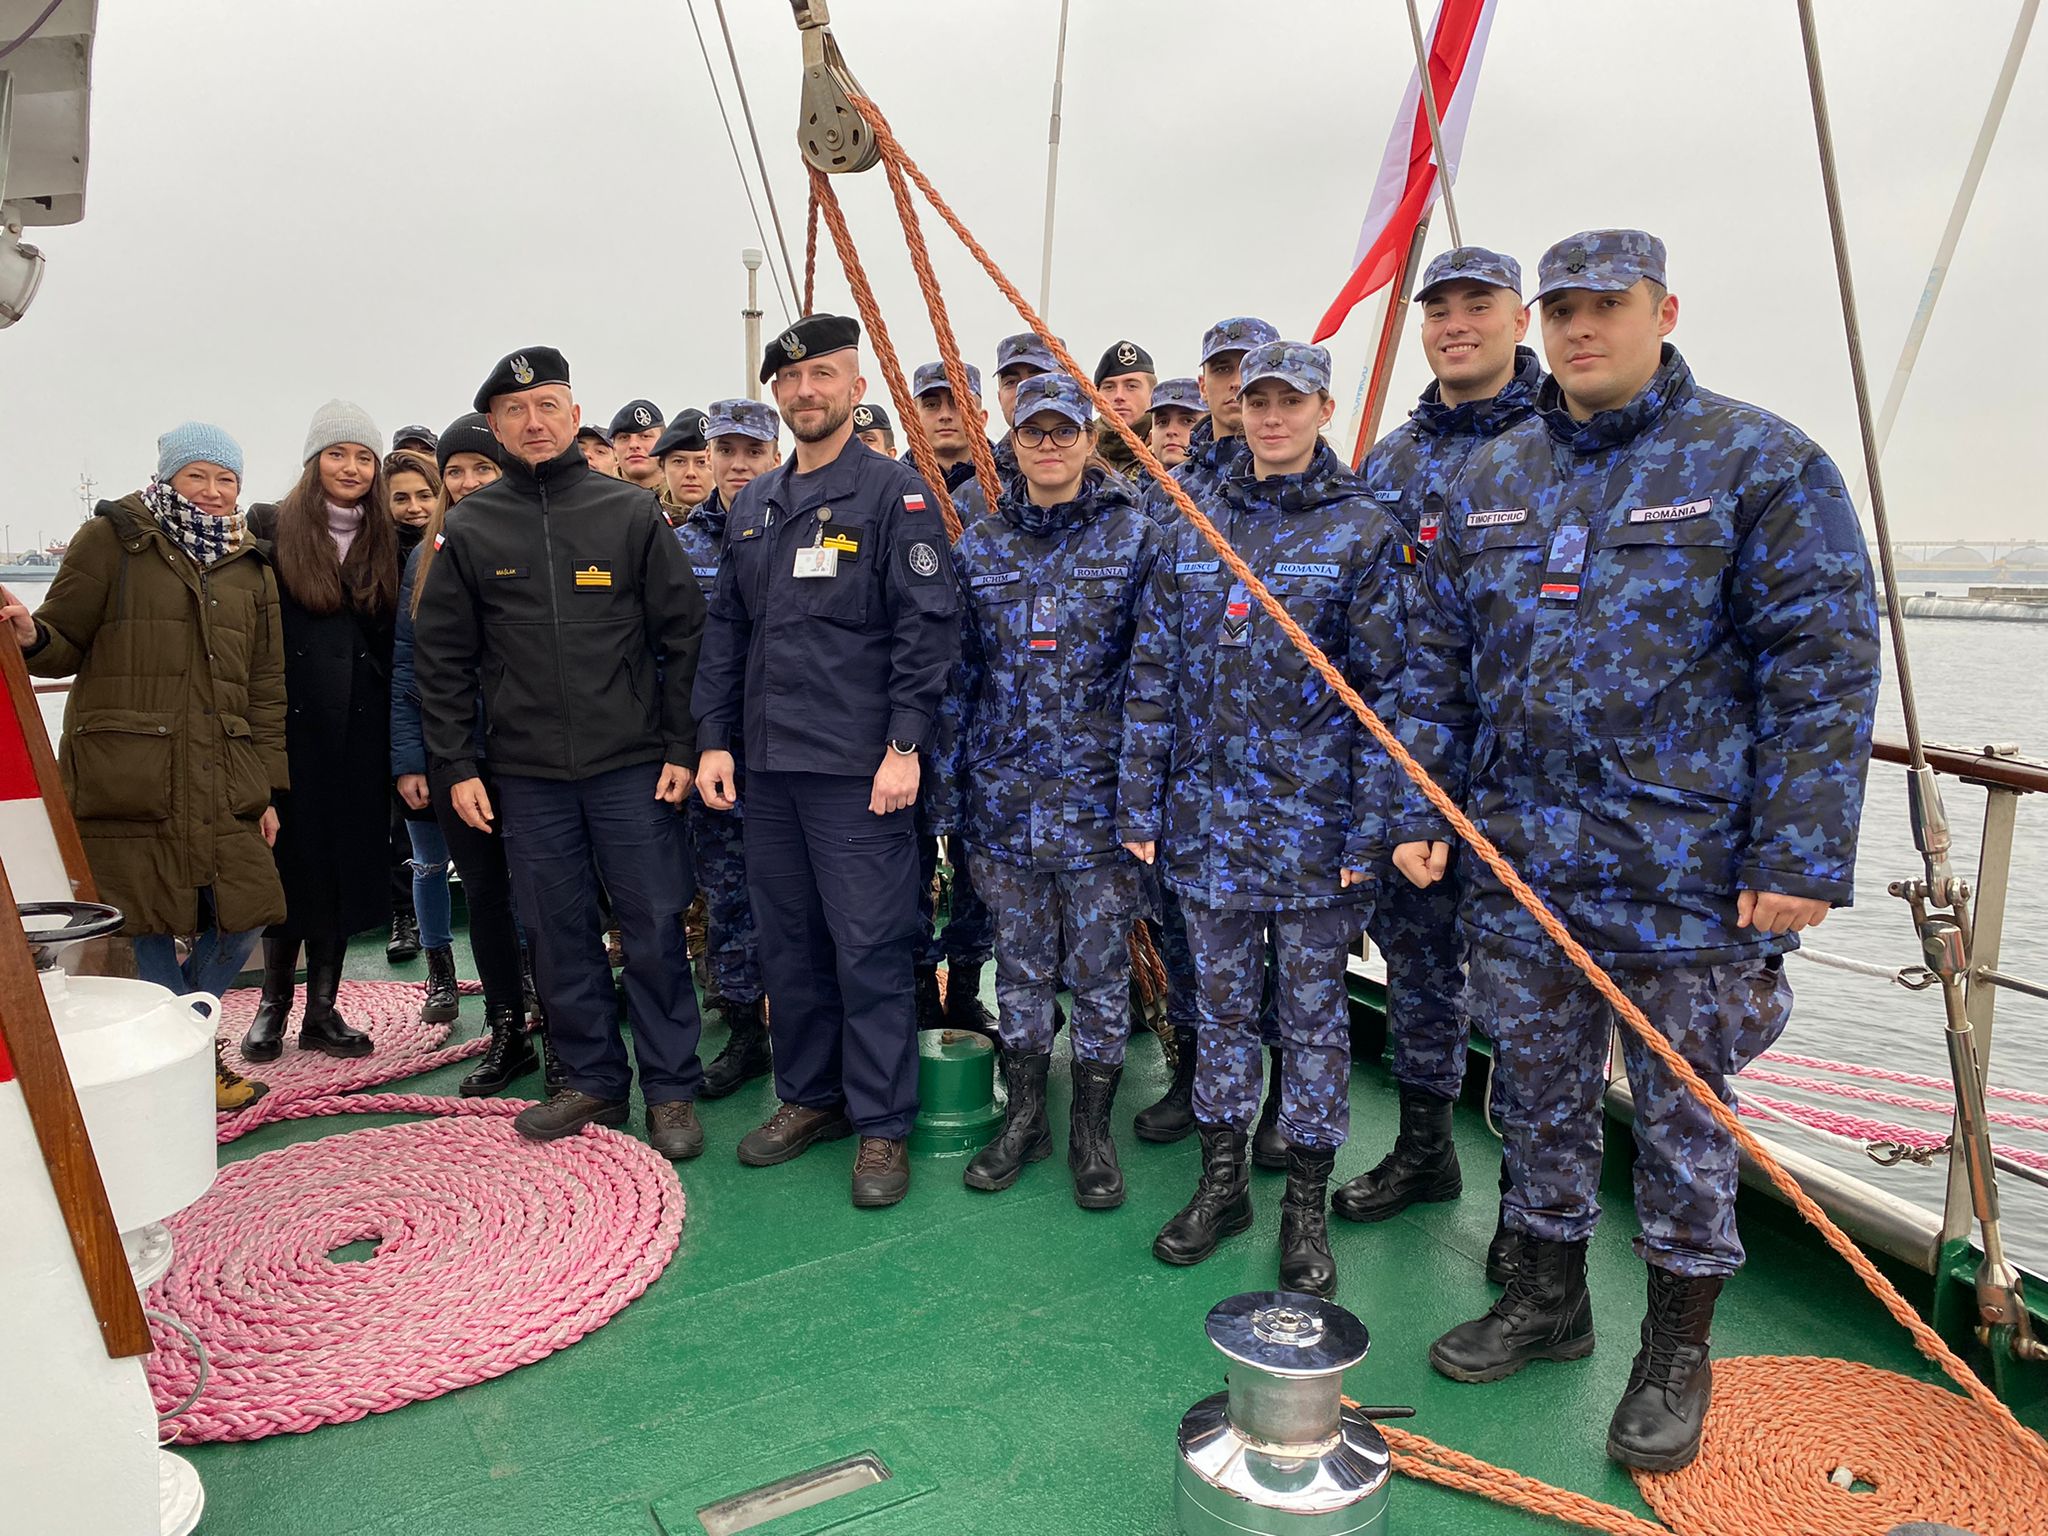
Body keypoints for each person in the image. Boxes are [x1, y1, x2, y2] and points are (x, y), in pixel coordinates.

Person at [1397, 230, 1881, 1470]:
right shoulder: (1490, 475)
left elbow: (1820, 672)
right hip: (1523, 868)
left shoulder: (1760, 462)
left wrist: (1798, 856)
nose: (1577, 332)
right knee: (1540, 1100)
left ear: (1662, 309)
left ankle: (1673, 1353)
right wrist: (1420, 811)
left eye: (1603, 307)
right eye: (1558, 311)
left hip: (1687, 877)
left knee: (1679, 1120)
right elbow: (1437, 672)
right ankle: (1548, 1300)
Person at [1122, 342, 1403, 1298]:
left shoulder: (1362, 529)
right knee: (1223, 1009)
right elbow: (1152, 673)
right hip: (1206, 825)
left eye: (1291, 402)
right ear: (1235, 409)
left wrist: (1371, 833)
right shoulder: (1195, 523)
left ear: (1325, 408)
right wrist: (1141, 802)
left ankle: (1305, 1213)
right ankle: (1222, 1186)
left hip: (1316, 833)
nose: (1272, 418)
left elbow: (1386, 695)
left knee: (1317, 1026)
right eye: (1256, 402)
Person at [415, 347, 710, 1156]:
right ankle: (592, 1082)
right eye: (516, 410)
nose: (533, 422)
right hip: (527, 773)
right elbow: (440, 660)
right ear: (498, 425)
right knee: (557, 929)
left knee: (653, 927)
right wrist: (457, 764)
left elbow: (683, 635)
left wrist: (683, 745)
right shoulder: (471, 527)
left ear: (576, 417)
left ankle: (674, 1091)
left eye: (548, 405)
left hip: (632, 766)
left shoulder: (627, 512)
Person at [694, 314, 961, 1209]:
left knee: (870, 947)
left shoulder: (894, 496)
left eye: (825, 377)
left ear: (854, 390)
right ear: (777, 395)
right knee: (790, 942)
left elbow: (929, 628)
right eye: (792, 380)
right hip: (768, 768)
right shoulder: (753, 504)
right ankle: (810, 1096)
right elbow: (728, 632)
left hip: (859, 769)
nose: (807, 392)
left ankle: (882, 1123)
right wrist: (714, 740)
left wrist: (905, 747)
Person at [1331, 247, 1543, 1273]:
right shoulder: (1393, 458)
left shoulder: (1563, 445)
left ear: (1519, 318)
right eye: (1438, 310)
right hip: (1407, 759)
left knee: (1529, 1001)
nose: (1455, 324)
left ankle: (1528, 1207)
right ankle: (1422, 1148)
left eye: (1477, 307)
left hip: (1524, 779)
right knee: (1415, 963)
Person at [4, 424, 286, 1112]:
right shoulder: (111, 541)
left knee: (250, 908)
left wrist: (270, 788)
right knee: (147, 916)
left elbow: (265, 687)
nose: (215, 492)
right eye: (198, 476)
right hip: (132, 769)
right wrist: (31, 635)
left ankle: (180, 1036)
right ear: (165, 478)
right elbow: (62, 641)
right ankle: (193, 1057)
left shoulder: (252, 565)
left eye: (228, 481)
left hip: (223, 770)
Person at [941, 374, 1162, 1206]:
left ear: (1090, 436)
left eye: (1063, 430)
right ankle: (1026, 1117)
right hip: (1004, 803)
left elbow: (1153, 680)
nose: (1048, 445)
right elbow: (958, 679)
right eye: (1033, 432)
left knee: (1100, 974)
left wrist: (1143, 801)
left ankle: (1091, 1131)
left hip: (1100, 805)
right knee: (1022, 972)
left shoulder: (1136, 539)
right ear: (1013, 436)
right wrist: (950, 796)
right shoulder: (982, 546)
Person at [1130, 315, 1283, 1158]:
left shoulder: (1329, 502)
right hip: (1193, 771)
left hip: (1287, 775)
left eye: (1252, 378)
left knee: (1286, 954)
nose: (1232, 391)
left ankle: (1283, 1095)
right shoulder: (1173, 496)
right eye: (1223, 373)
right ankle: (1196, 1075)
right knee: (1191, 936)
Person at [391, 413, 558, 1097]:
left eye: (480, 469)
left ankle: (564, 1028)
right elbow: (409, 664)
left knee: (548, 895)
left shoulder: (539, 534)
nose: (465, 483)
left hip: (535, 754)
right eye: (453, 471)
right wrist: (411, 758)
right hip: (460, 756)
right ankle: (507, 1030)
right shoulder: (426, 554)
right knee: (486, 896)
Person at [242, 401, 402, 1063]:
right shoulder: (273, 538)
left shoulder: (389, 542)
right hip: (294, 733)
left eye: (364, 457)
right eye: (338, 454)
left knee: (340, 872)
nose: (351, 468)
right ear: (314, 463)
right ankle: (271, 1007)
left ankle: (323, 1010)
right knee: (290, 872)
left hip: (362, 739)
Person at [676, 398, 779, 1098]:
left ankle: (810, 1029)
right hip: (716, 756)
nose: (739, 464)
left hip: (792, 752)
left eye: (753, 451)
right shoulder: (679, 546)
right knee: (729, 898)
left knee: (805, 902)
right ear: (709, 455)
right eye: (727, 451)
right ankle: (745, 1032)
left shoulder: (804, 528)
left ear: (775, 454)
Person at [907, 360, 997, 1033]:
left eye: (956, 402)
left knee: (979, 865)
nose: (944, 414)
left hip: (990, 713)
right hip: (912, 707)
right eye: (931, 402)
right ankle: (914, 985)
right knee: (903, 858)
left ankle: (965, 985)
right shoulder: (886, 489)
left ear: (981, 412)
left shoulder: (1008, 488)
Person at [383, 448, 447, 989]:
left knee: (501, 870)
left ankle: (523, 980)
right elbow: (406, 663)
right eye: (400, 497)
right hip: (427, 737)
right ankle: (440, 971)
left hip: (496, 743)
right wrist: (408, 759)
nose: (413, 506)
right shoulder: (414, 560)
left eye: (424, 494)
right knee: (427, 862)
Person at [1092, 339, 1156, 482]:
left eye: (1131, 386)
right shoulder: (1078, 451)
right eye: (1109, 387)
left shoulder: (1171, 448)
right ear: (1096, 399)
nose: (1119, 396)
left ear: (1153, 396)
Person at [654, 409, 714, 519]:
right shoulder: (647, 522)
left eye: (702, 462)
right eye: (679, 461)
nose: (691, 473)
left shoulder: (736, 523)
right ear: (662, 467)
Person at [1146, 377, 1207, 472]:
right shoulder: (1130, 485)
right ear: (1151, 438)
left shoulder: (1231, 482)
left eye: (1187, 421)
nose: (1171, 431)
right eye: (1162, 422)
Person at [609, 399, 666, 490]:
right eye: (624, 438)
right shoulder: (598, 499)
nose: (634, 445)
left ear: (664, 444)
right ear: (614, 450)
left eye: (645, 436)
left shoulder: (686, 499)